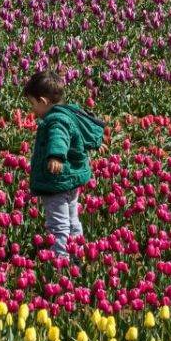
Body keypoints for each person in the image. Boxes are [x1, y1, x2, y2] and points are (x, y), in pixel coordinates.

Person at [21, 69, 105, 260]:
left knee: (58, 225)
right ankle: (78, 252)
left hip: (56, 183)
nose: (32, 109)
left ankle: (61, 261)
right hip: (72, 180)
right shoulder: (71, 112)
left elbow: (59, 136)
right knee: (72, 219)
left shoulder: (55, 120)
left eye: (32, 104)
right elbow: (80, 130)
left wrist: (56, 156)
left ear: (43, 101)